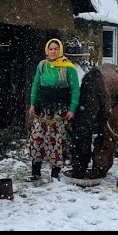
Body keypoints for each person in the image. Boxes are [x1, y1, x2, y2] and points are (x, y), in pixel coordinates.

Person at [27, 38, 80, 181]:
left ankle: (55, 173)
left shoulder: (68, 67)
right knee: (37, 139)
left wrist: (72, 109)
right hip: (42, 110)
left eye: (56, 48)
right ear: (47, 50)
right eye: (51, 49)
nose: (53, 51)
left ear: (60, 50)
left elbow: (75, 89)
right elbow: (36, 85)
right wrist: (32, 104)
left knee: (56, 141)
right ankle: (35, 171)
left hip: (60, 111)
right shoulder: (42, 66)